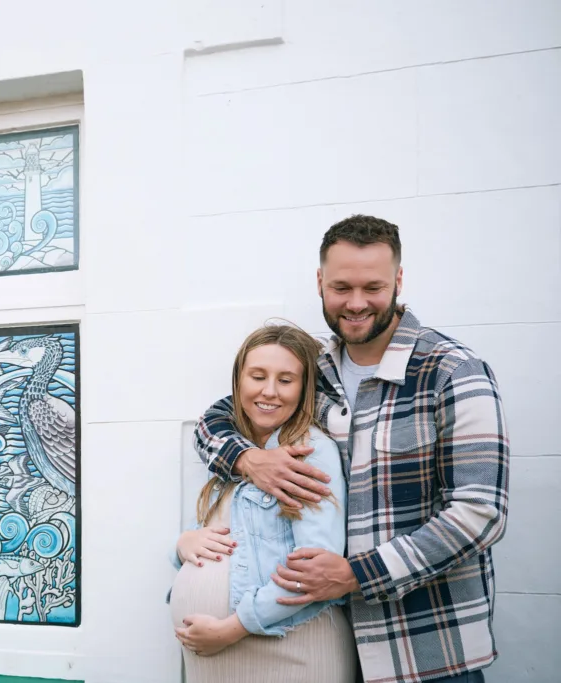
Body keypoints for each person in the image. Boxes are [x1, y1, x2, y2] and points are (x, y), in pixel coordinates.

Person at [195, 215, 510, 683]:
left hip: (427, 650)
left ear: (398, 281)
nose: (356, 303)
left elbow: (480, 513)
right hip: (333, 648)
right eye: (341, 287)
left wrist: (357, 575)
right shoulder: (313, 368)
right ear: (319, 282)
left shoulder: (452, 371)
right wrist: (247, 459)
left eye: (373, 287)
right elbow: (215, 420)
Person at [169, 324, 356, 683]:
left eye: (286, 380)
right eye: (258, 376)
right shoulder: (234, 453)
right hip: (218, 654)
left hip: (288, 648)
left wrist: (232, 628)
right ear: (238, 380)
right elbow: (237, 536)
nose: (269, 391)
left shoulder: (309, 453)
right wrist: (183, 545)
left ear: (304, 389)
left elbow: (315, 573)